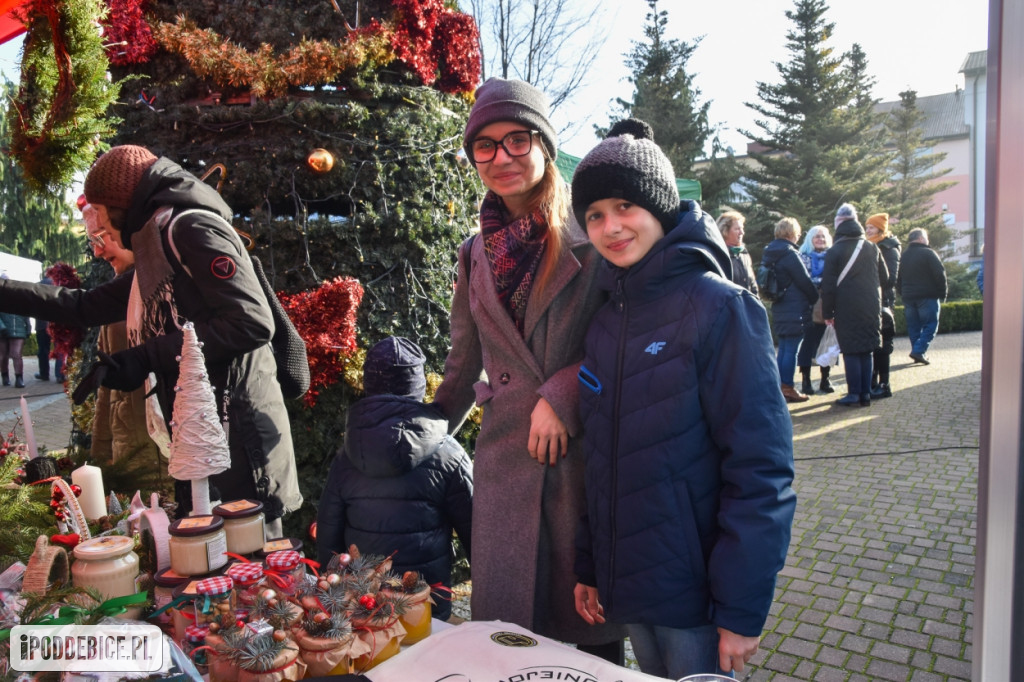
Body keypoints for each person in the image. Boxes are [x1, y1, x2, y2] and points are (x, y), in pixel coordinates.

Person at [569, 119, 796, 679]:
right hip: (629, 589)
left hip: (697, 600)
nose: (610, 227)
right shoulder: (603, 321)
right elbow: (597, 460)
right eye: (595, 214)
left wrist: (742, 610)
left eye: (625, 206)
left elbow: (761, 471)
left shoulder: (720, 307)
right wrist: (590, 566)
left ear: (662, 208)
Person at [0, 145, 302, 530]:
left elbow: (252, 321)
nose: (102, 230)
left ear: (121, 202)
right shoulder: (155, 246)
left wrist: (145, 357)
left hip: (238, 434)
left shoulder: (188, 229)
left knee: (249, 563)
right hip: (199, 431)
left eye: (102, 216)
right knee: (206, 554)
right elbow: (84, 306)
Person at [432, 78, 624, 660]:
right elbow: (463, 361)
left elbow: (627, 340)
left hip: (579, 461)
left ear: (543, 143)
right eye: (484, 146)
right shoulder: (474, 252)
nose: (502, 158)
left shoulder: (592, 236)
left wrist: (564, 391)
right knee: (510, 642)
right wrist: (421, 429)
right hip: (505, 465)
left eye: (517, 140)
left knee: (586, 644)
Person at [316, 336, 473, 621]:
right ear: (419, 384)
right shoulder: (449, 454)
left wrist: (331, 600)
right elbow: (478, 536)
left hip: (365, 602)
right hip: (428, 604)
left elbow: (329, 536)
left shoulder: (347, 456)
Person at [83, 202, 168, 496]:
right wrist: (101, 456)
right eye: (91, 241)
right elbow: (107, 388)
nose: (97, 251)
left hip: (171, 457)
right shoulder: (117, 295)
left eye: (99, 238)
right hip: (132, 457)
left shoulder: (170, 288)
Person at [820, 203, 888, 407]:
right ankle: (866, 393)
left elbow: (828, 286)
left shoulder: (835, 251)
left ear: (839, 226)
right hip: (870, 306)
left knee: (850, 350)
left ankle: (853, 394)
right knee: (866, 349)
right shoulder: (872, 247)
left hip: (846, 306)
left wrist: (827, 312)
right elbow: (885, 278)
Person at [761, 217, 819, 402]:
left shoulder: (769, 253)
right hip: (795, 308)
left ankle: (779, 386)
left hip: (780, 306)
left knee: (784, 348)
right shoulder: (789, 254)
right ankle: (787, 387)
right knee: (791, 350)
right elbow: (804, 281)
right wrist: (814, 298)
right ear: (792, 234)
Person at [896, 228, 947, 365]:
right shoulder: (929, 254)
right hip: (927, 296)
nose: (927, 240)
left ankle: (918, 352)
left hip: (909, 297)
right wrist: (943, 293)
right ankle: (919, 351)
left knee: (914, 327)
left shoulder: (904, 256)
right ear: (920, 239)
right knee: (931, 325)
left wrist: (902, 292)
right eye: (926, 237)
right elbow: (939, 275)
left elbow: (897, 277)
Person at [865, 213, 901, 398]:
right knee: (873, 343)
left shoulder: (889, 248)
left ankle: (884, 384)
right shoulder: (869, 245)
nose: (867, 230)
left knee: (884, 344)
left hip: (884, 300)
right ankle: (872, 381)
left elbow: (891, 278)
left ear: (880, 228)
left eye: (871, 227)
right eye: (867, 227)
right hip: (871, 299)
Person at [797, 225, 834, 395]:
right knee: (808, 343)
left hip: (829, 304)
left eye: (823, 236)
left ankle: (825, 379)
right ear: (810, 239)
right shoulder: (802, 256)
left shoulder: (833, 257)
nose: (820, 239)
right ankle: (806, 381)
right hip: (809, 304)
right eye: (817, 236)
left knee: (827, 343)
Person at [717, 210, 758, 294]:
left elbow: (752, 284)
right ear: (725, 231)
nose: (742, 232)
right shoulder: (719, 255)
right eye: (737, 229)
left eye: (742, 228)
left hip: (746, 304)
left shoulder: (744, 253)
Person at [0, 294, 30, 389]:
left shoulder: (20, 301)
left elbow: (26, 316)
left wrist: (28, 328)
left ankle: (19, 378)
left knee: (16, 354)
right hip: (2, 332)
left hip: (18, 330)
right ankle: (5, 376)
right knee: (3, 356)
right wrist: (1, 327)